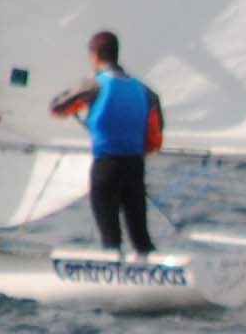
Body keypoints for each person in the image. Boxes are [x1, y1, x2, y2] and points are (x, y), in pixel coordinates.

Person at [47, 31, 166, 258]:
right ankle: (153, 269)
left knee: (111, 237)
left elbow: (57, 108)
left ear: (94, 56)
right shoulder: (145, 91)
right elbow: (155, 138)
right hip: (135, 167)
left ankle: (112, 265)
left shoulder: (93, 85)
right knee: (141, 237)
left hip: (107, 167)